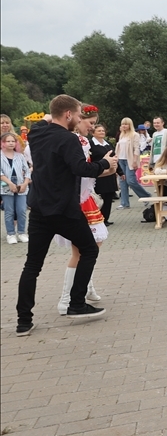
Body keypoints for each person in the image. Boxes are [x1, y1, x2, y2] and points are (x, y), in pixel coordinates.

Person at [15, 96, 116, 336]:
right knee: (90, 250)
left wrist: (55, 112)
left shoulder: (37, 132)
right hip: (64, 210)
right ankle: (76, 304)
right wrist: (105, 163)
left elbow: (48, 118)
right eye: (80, 115)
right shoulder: (69, 139)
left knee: (32, 265)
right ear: (69, 115)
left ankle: (23, 321)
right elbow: (81, 169)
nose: (82, 120)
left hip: (39, 209)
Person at [55, 104, 109, 314]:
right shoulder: (73, 141)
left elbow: (86, 173)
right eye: (90, 123)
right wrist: (104, 166)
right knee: (81, 251)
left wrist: (107, 167)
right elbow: (79, 172)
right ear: (78, 119)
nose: (93, 127)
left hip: (86, 197)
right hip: (76, 200)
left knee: (92, 248)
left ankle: (86, 286)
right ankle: (66, 298)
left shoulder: (84, 141)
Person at [1, 132, 31, 243]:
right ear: (3, 143)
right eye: (8, 141)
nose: (10, 143)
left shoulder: (20, 156)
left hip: (20, 185)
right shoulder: (1, 156)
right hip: (6, 185)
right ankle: (10, 233)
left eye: (13, 141)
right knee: (9, 211)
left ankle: (22, 232)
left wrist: (25, 183)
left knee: (22, 210)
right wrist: (9, 183)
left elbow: (27, 171)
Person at [116, 118, 151, 208]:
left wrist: (135, 161)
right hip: (121, 159)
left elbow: (136, 148)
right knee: (122, 181)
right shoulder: (121, 135)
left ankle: (146, 196)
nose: (124, 126)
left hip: (130, 160)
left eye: (126, 124)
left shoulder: (135, 135)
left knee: (131, 181)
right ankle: (124, 203)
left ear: (130, 125)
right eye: (123, 124)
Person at [89, 124, 117, 225]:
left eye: (103, 131)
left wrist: (120, 171)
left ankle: (106, 218)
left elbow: (114, 157)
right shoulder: (91, 144)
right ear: (93, 133)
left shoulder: (108, 144)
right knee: (100, 196)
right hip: (99, 174)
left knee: (109, 197)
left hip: (110, 174)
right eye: (99, 131)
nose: (102, 132)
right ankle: (98, 218)